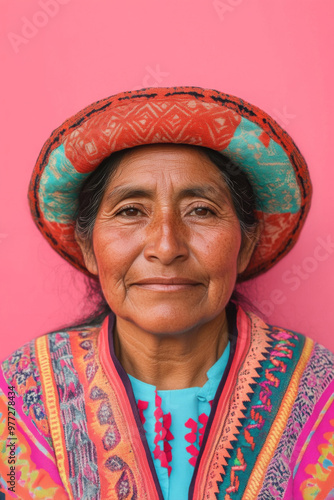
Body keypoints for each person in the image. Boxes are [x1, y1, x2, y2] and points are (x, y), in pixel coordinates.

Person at [0, 86, 333, 500]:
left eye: (201, 210)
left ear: (245, 245)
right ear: (88, 247)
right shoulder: (18, 394)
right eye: (130, 211)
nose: (166, 245)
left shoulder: (321, 390)